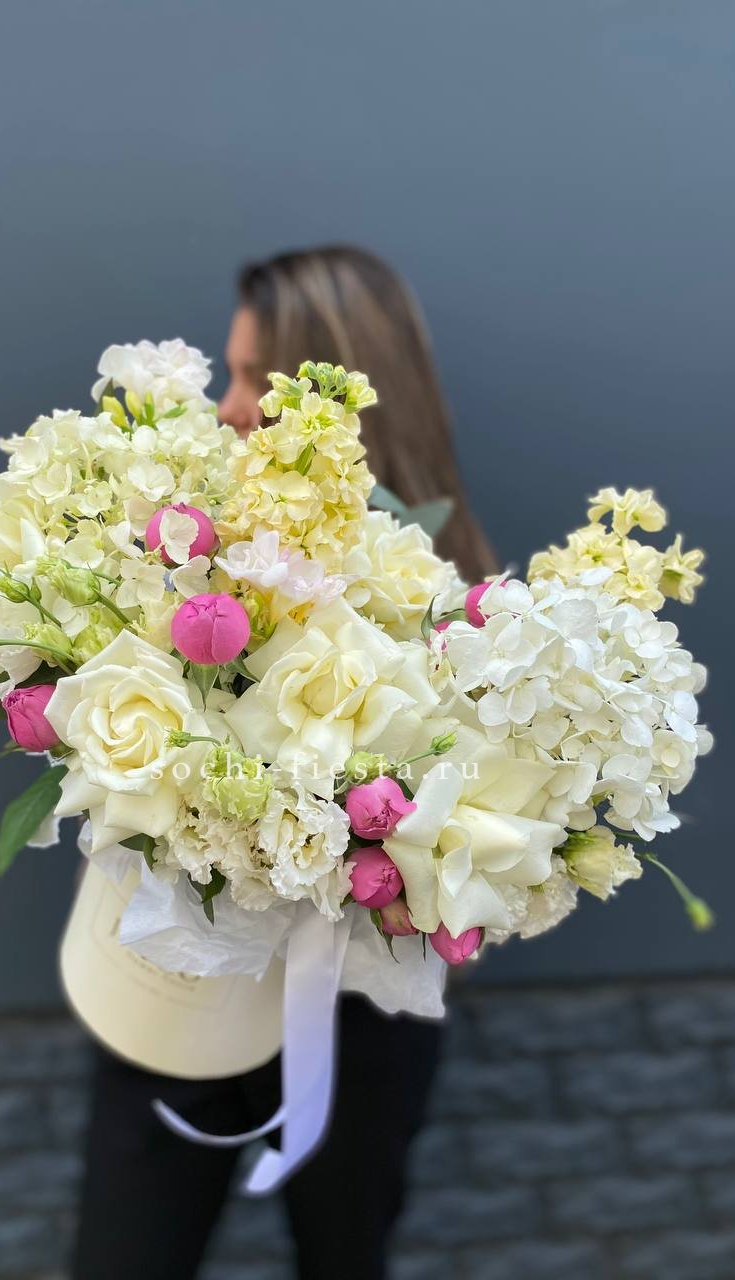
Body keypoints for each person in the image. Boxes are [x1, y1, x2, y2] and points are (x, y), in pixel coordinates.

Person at [72, 245, 496, 1280]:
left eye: (254, 378)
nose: (226, 406)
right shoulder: (185, 549)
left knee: (346, 1256)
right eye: (229, 372)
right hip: (172, 993)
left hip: (352, 1023)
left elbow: (474, 872)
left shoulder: (455, 602)